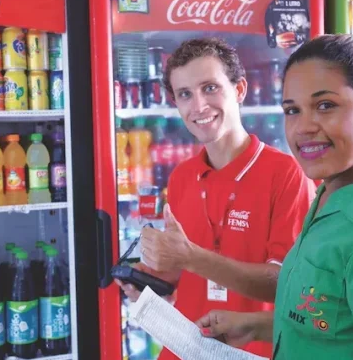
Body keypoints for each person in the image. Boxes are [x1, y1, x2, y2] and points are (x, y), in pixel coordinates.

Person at [195, 34, 353, 360]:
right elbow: (338, 320)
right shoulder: (332, 195)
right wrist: (257, 326)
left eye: (325, 106)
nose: (304, 127)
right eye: (292, 110)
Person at [115, 37, 315, 359]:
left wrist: (190, 256)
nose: (199, 106)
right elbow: (185, 274)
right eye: (185, 94)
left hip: (252, 351)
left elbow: (288, 286)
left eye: (210, 88)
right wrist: (150, 280)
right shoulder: (182, 176)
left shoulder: (287, 174)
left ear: (239, 90)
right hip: (183, 346)